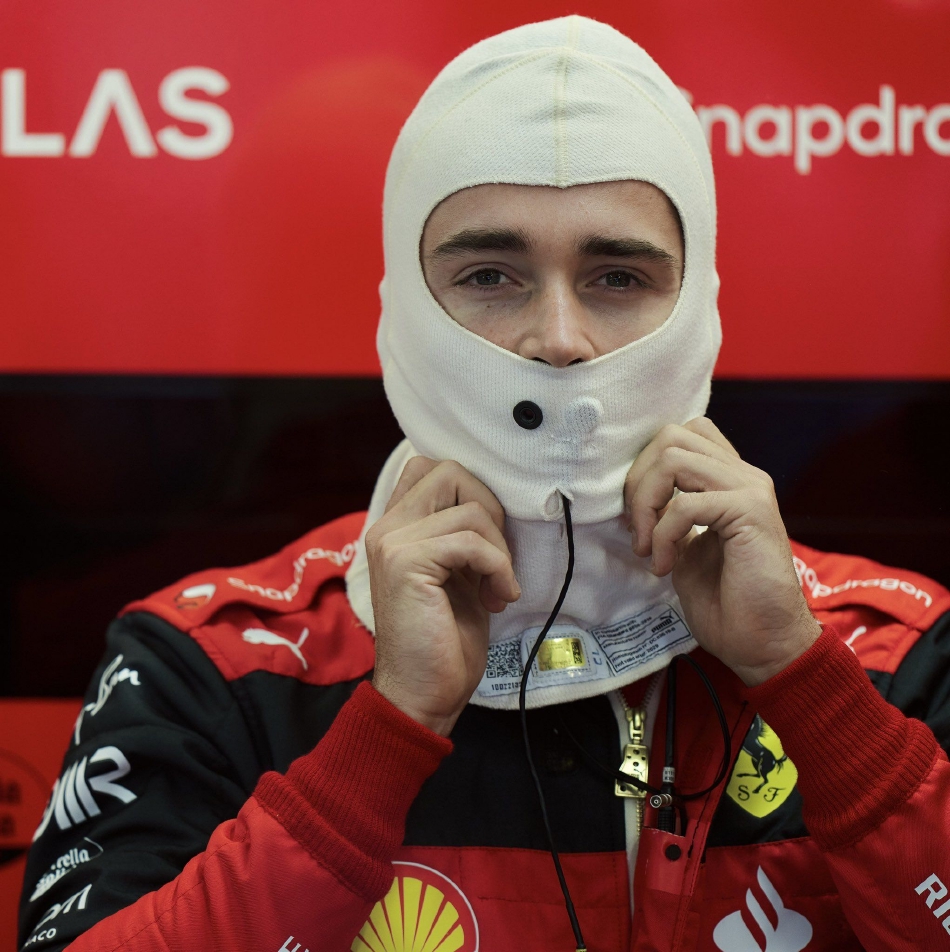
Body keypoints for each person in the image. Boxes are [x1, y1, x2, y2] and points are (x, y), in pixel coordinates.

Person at [18, 16, 950, 952]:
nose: (558, 339)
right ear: (406, 302)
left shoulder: (889, 655)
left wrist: (801, 678)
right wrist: (387, 733)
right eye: (492, 275)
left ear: (698, 302)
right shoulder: (213, 665)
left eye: (618, 277)